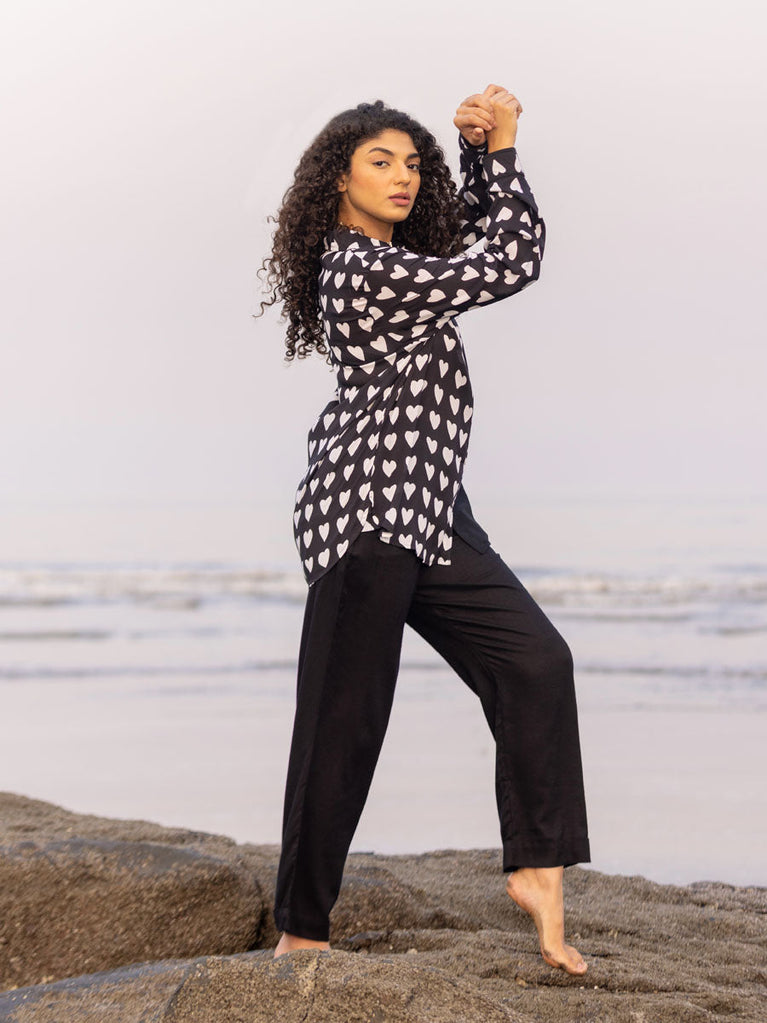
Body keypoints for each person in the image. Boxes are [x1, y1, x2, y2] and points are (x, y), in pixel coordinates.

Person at [255, 84, 591, 975]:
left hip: (434, 507)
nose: (402, 176)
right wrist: (507, 147)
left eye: (412, 162)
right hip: (367, 510)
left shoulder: (398, 259)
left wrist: (475, 155)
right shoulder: (358, 269)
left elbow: (469, 234)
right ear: (337, 179)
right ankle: (301, 927)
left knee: (534, 661)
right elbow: (507, 259)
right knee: (342, 723)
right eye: (380, 162)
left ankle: (536, 866)